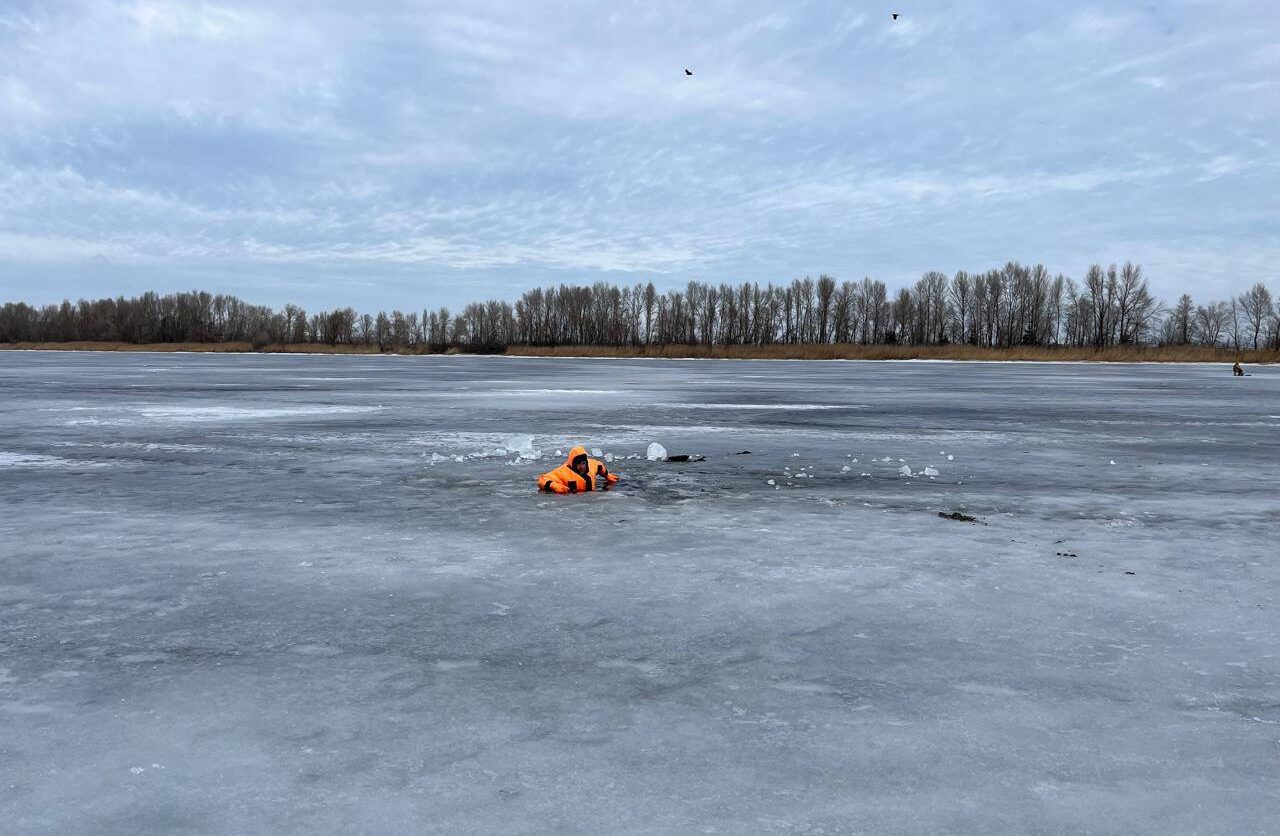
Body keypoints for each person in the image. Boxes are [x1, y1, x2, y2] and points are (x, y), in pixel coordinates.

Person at [537, 446, 620, 493]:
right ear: (573, 464)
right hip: (575, 499)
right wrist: (553, 485)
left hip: (592, 498)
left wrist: (607, 475)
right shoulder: (563, 472)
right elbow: (542, 479)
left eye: (583, 463)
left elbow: (599, 466)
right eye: (578, 464)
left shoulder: (591, 465)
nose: (582, 466)